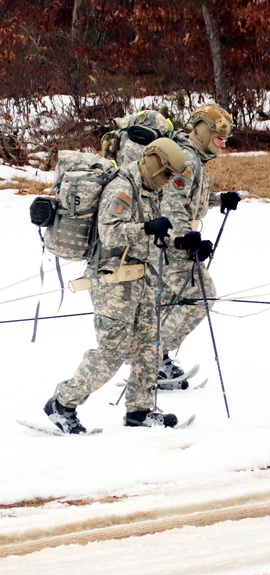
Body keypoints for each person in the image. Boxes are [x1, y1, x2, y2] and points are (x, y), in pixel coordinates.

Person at [44, 138, 188, 433]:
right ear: (154, 161)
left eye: (172, 177)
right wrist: (147, 227)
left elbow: (152, 235)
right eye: (166, 174)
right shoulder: (122, 188)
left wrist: (182, 242)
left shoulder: (149, 190)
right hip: (112, 280)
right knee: (113, 349)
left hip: (140, 277)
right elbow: (110, 234)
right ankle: (62, 403)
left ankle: (139, 411)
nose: (167, 181)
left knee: (150, 344)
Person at [157, 102, 238, 386]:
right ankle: (151, 357)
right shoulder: (188, 159)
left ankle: (155, 359)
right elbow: (172, 203)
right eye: (219, 139)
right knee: (203, 295)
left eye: (225, 141)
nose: (223, 145)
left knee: (171, 301)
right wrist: (185, 240)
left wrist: (219, 199)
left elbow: (191, 201)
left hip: (176, 239)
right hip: (173, 243)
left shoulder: (195, 158)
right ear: (204, 134)